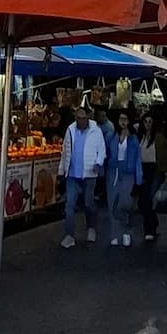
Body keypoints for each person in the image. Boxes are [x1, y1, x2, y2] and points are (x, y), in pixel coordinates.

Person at [58, 106, 106, 248]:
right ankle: (69, 235)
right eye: (78, 118)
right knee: (69, 205)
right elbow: (65, 151)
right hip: (72, 174)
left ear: (88, 118)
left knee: (88, 203)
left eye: (83, 118)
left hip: (89, 174)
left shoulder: (96, 131)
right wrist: (62, 170)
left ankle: (91, 227)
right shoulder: (70, 130)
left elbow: (101, 150)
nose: (81, 121)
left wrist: (98, 163)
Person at [105, 110, 142, 247]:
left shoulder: (133, 138)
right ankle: (115, 233)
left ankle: (126, 231)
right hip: (113, 172)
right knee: (112, 203)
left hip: (128, 173)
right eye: (121, 118)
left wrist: (139, 179)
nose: (123, 121)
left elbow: (138, 159)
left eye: (125, 119)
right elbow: (105, 152)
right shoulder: (111, 136)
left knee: (125, 203)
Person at [137, 113, 167, 242]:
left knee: (149, 198)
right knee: (144, 199)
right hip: (142, 168)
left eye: (150, 121)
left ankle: (150, 228)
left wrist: (163, 166)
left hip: (155, 170)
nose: (147, 124)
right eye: (145, 121)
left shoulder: (158, 138)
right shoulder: (140, 137)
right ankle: (151, 224)